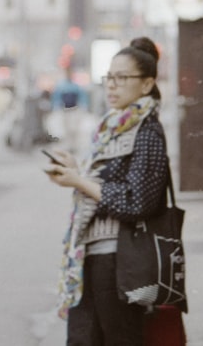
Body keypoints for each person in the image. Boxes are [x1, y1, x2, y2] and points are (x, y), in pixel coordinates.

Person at [45, 37, 171, 346]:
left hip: (121, 261)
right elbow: (108, 182)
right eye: (109, 78)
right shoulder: (111, 126)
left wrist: (79, 181)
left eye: (122, 78)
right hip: (93, 255)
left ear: (146, 84)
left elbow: (138, 201)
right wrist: (77, 170)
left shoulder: (147, 132)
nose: (112, 86)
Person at [51, 68, 91, 154]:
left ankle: (74, 146)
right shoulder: (61, 86)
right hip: (65, 111)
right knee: (66, 130)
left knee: (74, 129)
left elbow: (82, 97)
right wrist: (56, 107)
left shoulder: (76, 86)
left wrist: (83, 106)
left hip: (74, 110)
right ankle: (68, 146)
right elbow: (56, 98)